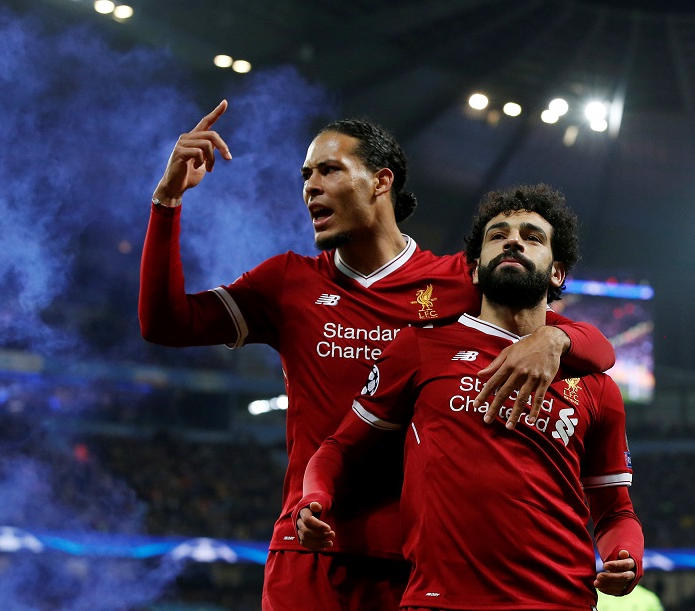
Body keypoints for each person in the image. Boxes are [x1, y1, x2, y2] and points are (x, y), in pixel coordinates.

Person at [138, 101, 616, 610]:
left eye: (329, 170)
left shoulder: (458, 279)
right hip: (310, 550)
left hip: (415, 564)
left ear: (380, 181)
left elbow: (599, 347)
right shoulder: (287, 282)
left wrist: (556, 339)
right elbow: (165, 323)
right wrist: (167, 203)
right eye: (306, 175)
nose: (310, 187)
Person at [297, 184, 644, 610]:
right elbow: (339, 448)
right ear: (476, 269)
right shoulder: (418, 348)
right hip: (438, 601)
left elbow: (615, 513)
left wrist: (626, 557)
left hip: (561, 601)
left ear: (557, 272)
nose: (513, 240)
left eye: (532, 237)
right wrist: (314, 498)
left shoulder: (596, 384)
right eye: (498, 235)